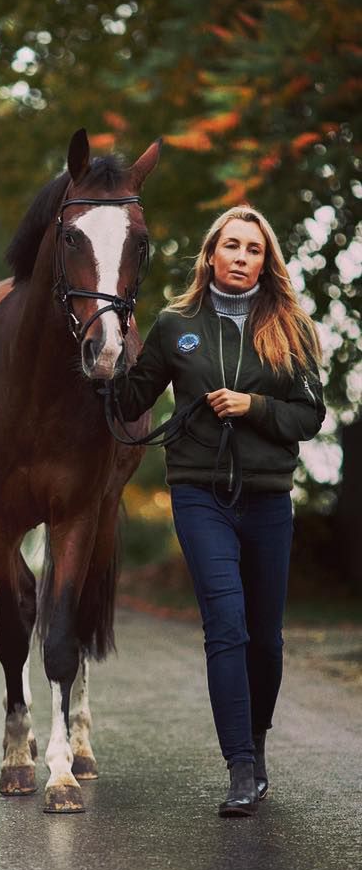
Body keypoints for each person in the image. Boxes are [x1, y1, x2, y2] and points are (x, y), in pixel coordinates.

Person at [113, 205, 324, 817]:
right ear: (210, 255)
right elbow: (131, 397)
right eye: (230, 246)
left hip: (266, 498)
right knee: (226, 628)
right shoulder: (176, 324)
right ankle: (236, 765)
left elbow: (310, 416)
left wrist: (254, 407)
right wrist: (107, 350)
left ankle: (256, 751)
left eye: (253, 249)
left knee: (266, 638)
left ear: (266, 260)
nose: (240, 257)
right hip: (199, 492)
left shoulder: (293, 328)